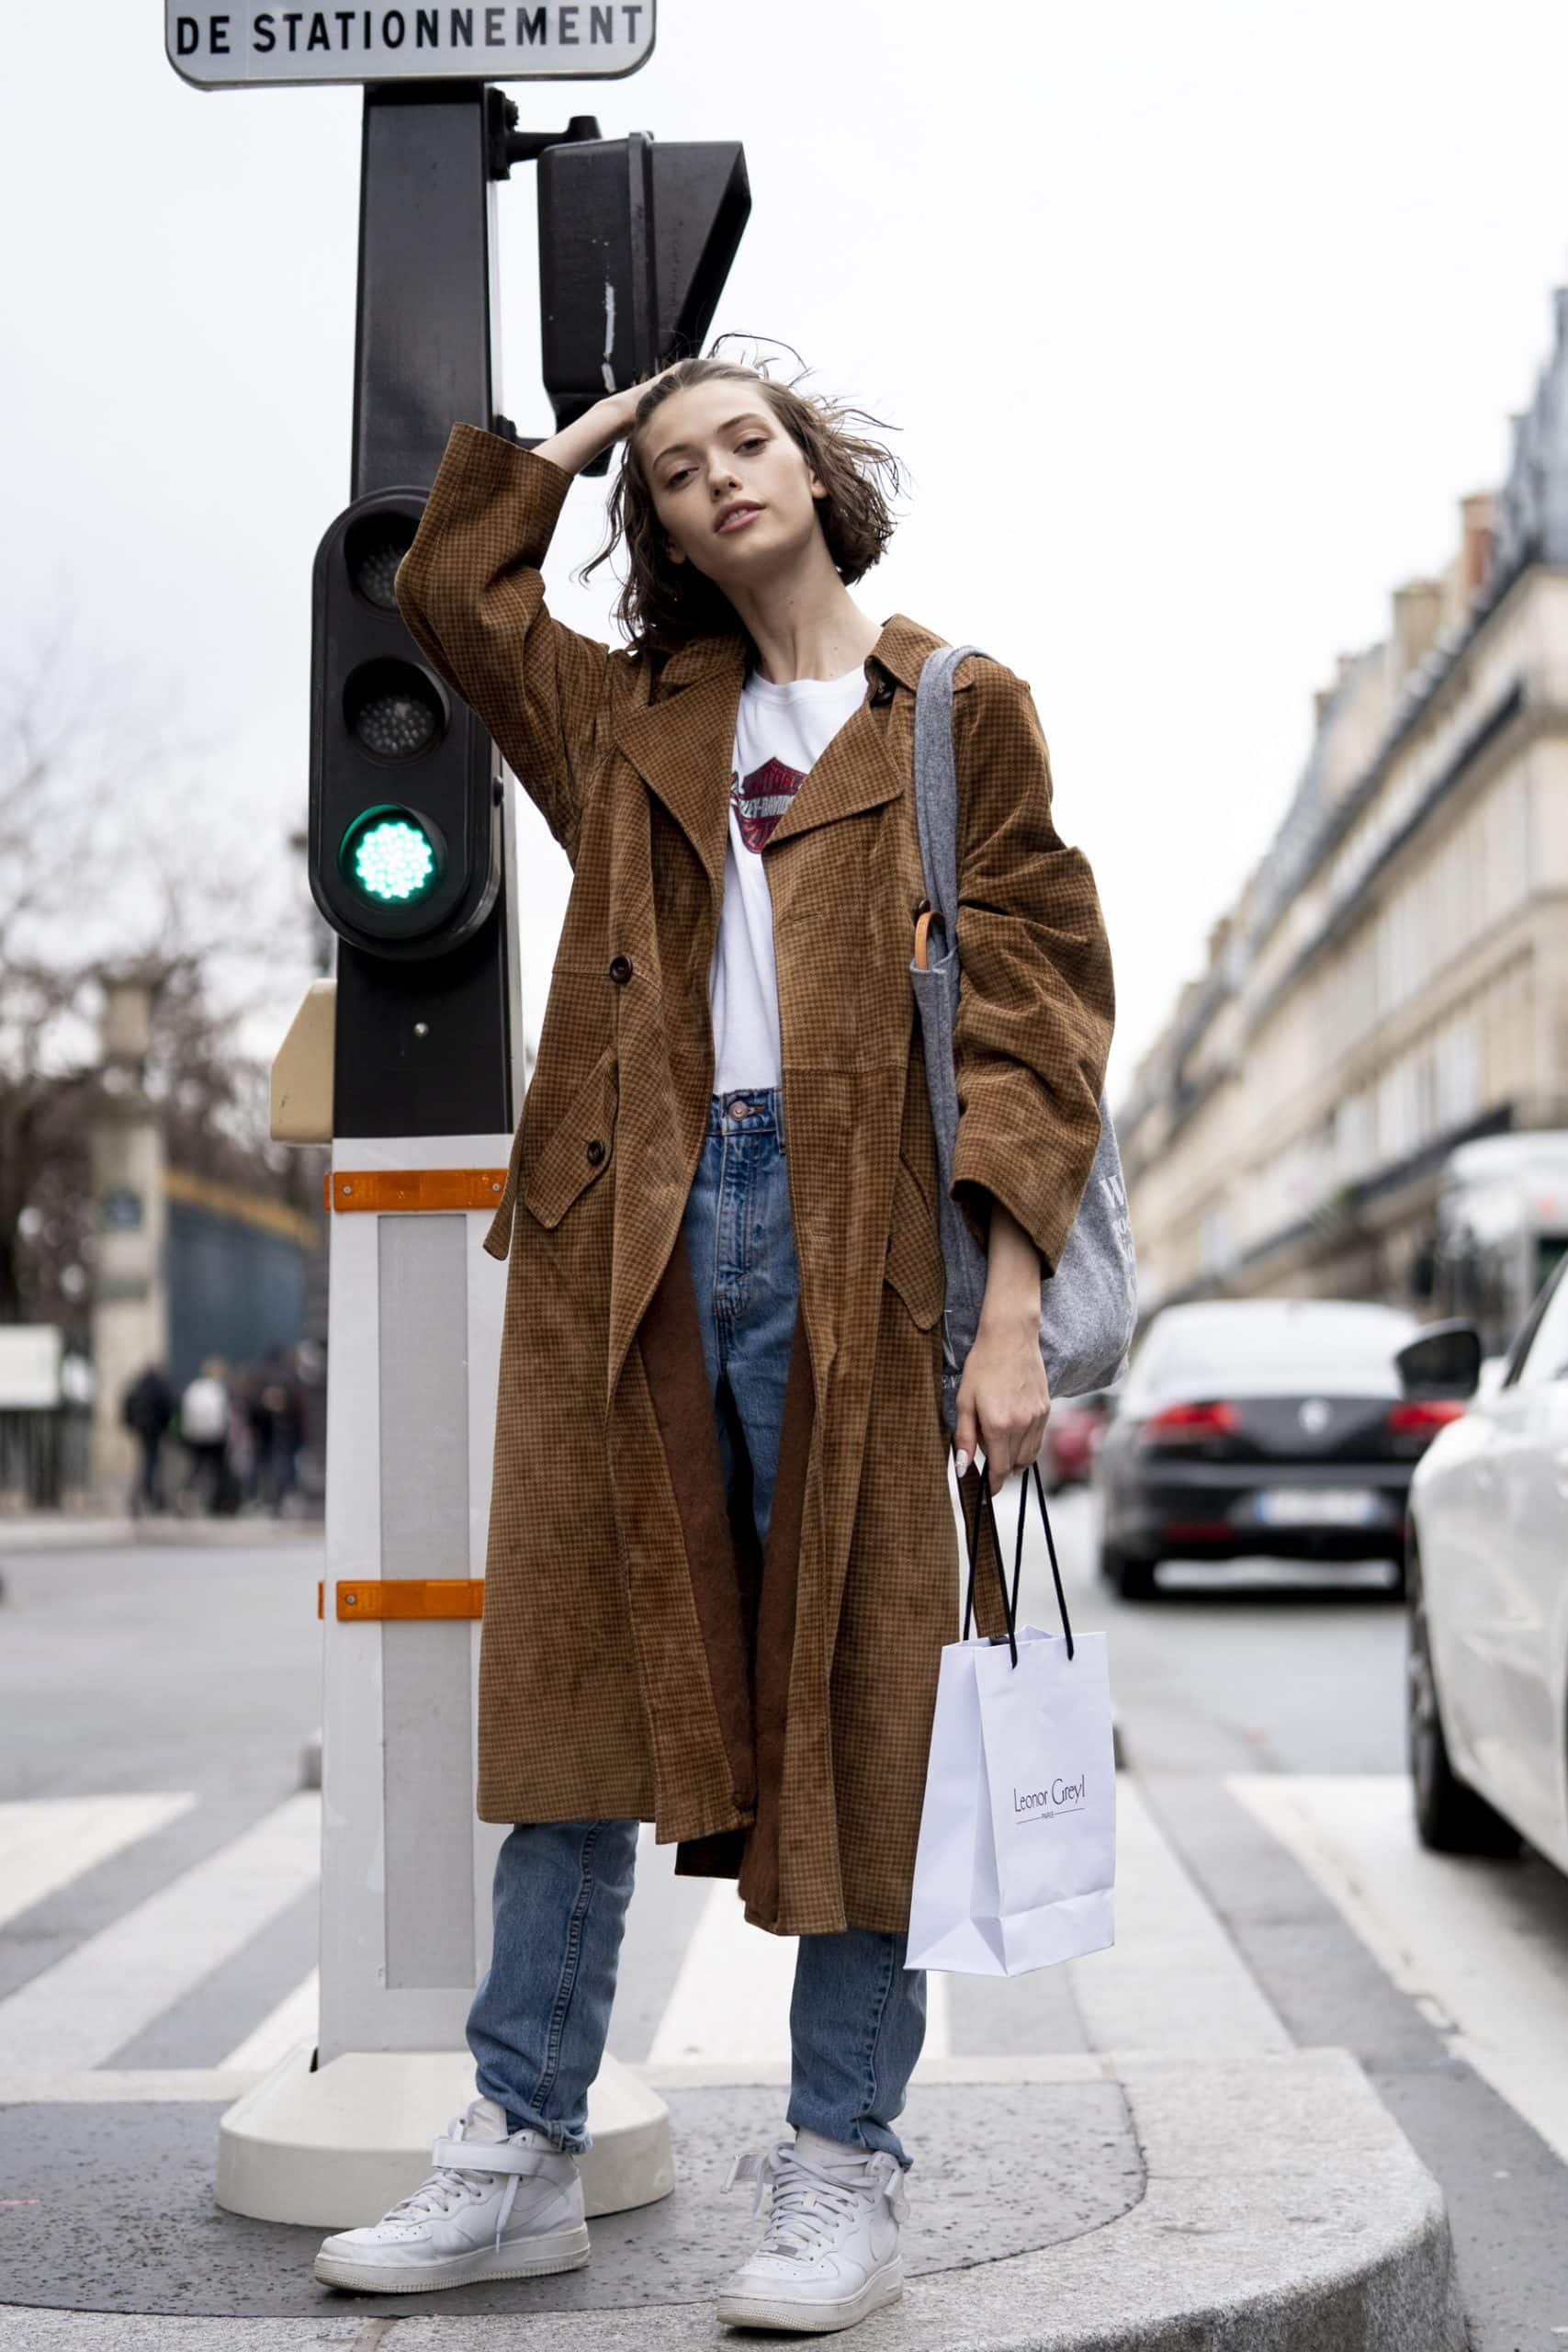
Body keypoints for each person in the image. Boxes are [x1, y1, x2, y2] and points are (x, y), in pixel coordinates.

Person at [313, 354, 1115, 2326]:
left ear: (818, 469)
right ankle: (517, 2144)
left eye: (743, 440)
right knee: (581, 1699)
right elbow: (452, 596)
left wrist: (1006, 1312)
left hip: (869, 1255)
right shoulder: (632, 717)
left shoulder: (950, 712)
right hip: (636, 1246)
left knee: (866, 1707)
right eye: (675, 472)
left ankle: (840, 2168)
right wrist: (585, 433)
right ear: (656, 523)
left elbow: (1037, 1016)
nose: (714, 479)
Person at [176, 1357, 231, 1516]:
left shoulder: (194, 1388)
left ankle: (187, 1495)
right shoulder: (218, 1389)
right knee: (218, 1470)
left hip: (195, 1435)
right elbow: (224, 1415)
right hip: (215, 1436)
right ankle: (217, 1502)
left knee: (196, 1467)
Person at [120, 1363, 175, 1515]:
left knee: (146, 1462)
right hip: (155, 1430)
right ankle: (148, 1496)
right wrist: (166, 1427)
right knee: (152, 1463)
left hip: (141, 1429)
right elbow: (168, 1407)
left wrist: (131, 1425)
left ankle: (143, 1495)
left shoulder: (138, 1386)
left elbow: (127, 1406)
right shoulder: (159, 1387)